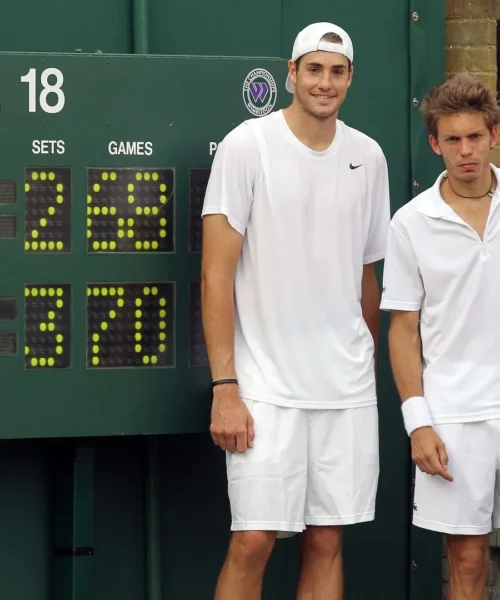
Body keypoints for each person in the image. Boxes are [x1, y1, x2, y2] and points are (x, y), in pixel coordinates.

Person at [201, 21, 390, 600]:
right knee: (253, 540)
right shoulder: (246, 145)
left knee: (327, 541)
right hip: (263, 388)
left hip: (344, 389)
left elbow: (367, 274)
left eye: (336, 71)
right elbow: (216, 273)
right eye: (314, 68)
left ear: (350, 78)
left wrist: (361, 349)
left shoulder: (369, 156)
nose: (324, 82)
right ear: (291, 73)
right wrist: (225, 385)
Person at [380, 73, 500, 600]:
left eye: (475, 136)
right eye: (452, 139)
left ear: (493, 134)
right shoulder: (410, 224)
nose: (465, 150)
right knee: (467, 560)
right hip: (453, 414)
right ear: (435, 143)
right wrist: (417, 423)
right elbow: (402, 329)